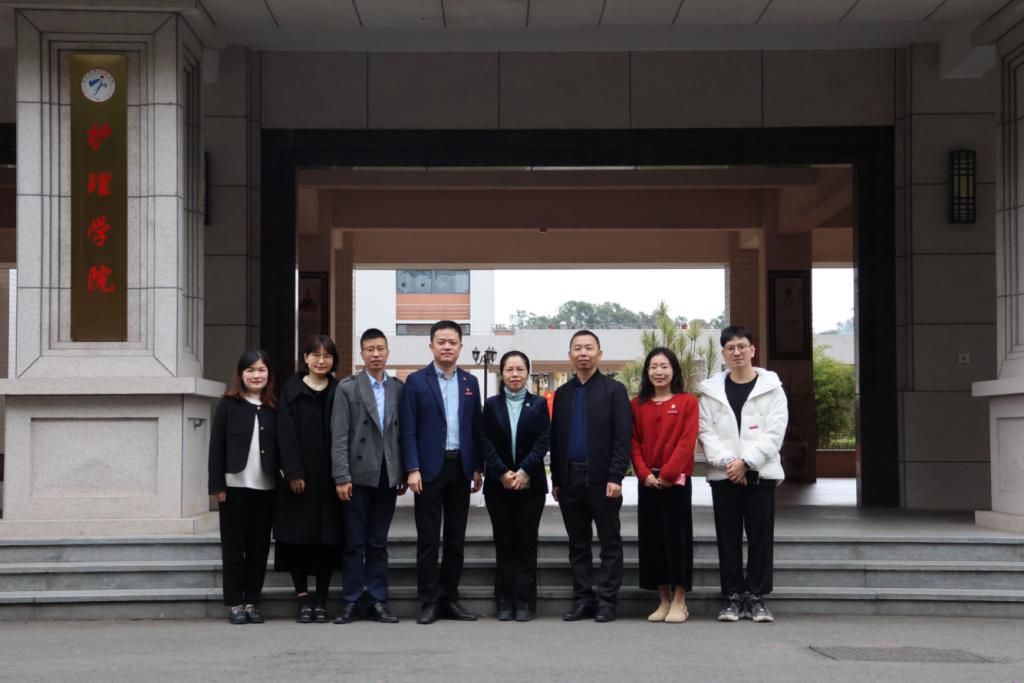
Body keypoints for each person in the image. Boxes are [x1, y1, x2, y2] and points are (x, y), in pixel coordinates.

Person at [698, 325, 788, 624]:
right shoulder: (710, 392)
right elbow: (705, 433)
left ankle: (757, 597)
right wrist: (730, 463)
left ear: (752, 350)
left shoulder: (772, 389)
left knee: (760, 538)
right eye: (730, 348)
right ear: (723, 353)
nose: (736, 352)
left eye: (741, 347)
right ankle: (733, 597)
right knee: (728, 538)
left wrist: (747, 462)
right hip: (724, 476)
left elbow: (775, 432)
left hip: (761, 475)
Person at [399, 320, 483, 625]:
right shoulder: (416, 381)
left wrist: (478, 467)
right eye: (441, 342)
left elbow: (476, 428)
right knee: (428, 540)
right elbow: (408, 429)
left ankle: (450, 599)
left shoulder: (470, 382)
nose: (447, 347)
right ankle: (429, 602)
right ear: (431, 346)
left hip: (460, 468)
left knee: (456, 540)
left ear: (460, 346)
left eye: (452, 342)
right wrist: (412, 468)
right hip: (428, 471)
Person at [550, 330, 632, 623]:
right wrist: (556, 479)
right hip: (570, 480)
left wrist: (616, 476)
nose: (583, 353)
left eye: (588, 348)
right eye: (577, 348)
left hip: (603, 480)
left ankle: (607, 602)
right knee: (578, 544)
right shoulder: (563, 394)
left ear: (599, 353)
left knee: (610, 542)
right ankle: (583, 599)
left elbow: (622, 437)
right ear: (570, 355)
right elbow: (556, 439)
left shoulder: (614, 391)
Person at [331, 329, 405, 624]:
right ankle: (351, 600)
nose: (376, 354)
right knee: (354, 543)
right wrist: (341, 476)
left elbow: (401, 435)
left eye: (380, 348)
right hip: (356, 476)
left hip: (387, 475)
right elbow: (339, 436)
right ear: (361, 354)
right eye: (370, 349)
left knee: (378, 542)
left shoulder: (398, 389)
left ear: (388, 352)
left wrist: (401, 472)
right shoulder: (347, 388)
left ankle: (377, 600)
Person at [275, 334, 343, 624]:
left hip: (330, 480)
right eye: (315, 355)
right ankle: (303, 598)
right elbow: (284, 434)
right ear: (305, 358)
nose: (321, 361)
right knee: (297, 540)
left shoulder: (339, 390)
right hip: (299, 480)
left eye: (327, 356)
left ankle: (322, 600)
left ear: (333, 360)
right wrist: (293, 472)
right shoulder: (291, 390)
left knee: (326, 541)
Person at [208, 349, 278, 625]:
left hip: (266, 488)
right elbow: (216, 447)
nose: (256, 375)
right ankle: (235, 603)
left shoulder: (274, 407)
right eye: (250, 370)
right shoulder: (228, 404)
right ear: (241, 374)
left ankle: (252, 602)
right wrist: (216, 485)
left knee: (259, 548)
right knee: (234, 548)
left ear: (268, 374)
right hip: (234, 487)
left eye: (261, 370)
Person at [480, 351, 551, 622]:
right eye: (509, 369)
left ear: (527, 372)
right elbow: (484, 440)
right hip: (498, 487)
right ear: (502, 373)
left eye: (520, 369)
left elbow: (543, 440)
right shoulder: (491, 405)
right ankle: (504, 600)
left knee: (526, 543)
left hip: (530, 486)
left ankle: (524, 601)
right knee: (504, 543)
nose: (515, 375)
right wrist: (501, 472)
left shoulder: (539, 404)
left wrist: (523, 471)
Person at [630, 347, 698, 623]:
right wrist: (644, 473)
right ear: (647, 372)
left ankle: (680, 600)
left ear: (674, 370)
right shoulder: (637, 405)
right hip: (648, 482)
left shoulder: (687, 402)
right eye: (653, 367)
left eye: (664, 366)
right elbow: (633, 441)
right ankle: (663, 600)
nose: (658, 372)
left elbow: (687, 440)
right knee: (653, 540)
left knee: (677, 540)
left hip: (676, 483)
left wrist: (668, 474)